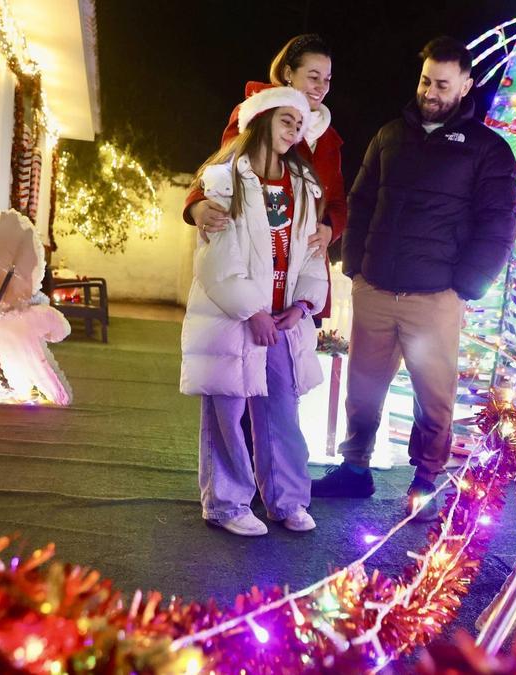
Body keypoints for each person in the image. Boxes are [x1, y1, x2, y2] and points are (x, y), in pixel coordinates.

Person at [310, 37, 516, 521]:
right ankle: (354, 469)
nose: (430, 90)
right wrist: (356, 266)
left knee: (433, 395)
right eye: (426, 79)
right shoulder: (389, 136)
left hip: (435, 297)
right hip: (377, 288)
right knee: (362, 388)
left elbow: (498, 223)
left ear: (465, 86)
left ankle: (425, 480)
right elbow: (361, 202)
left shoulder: (488, 150)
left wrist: (465, 286)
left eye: (443, 83)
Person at [180, 87, 329, 537]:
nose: (294, 131)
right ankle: (226, 504)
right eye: (287, 120)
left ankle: (286, 500)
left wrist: (303, 304)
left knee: (282, 410)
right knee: (227, 411)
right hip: (234, 318)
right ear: (262, 119)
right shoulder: (222, 179)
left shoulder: (302, 184)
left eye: (300, 125)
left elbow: (307, 252)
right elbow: (216, 259)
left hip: (283, 320)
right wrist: (253, 311)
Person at [184, 34, 346, 323]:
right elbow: (224, 172)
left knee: (294, 363)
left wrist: (329, 230)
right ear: (288, 73)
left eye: (328, 79)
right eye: (313, 77)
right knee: (240, 361)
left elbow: (336, 202)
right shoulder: (256, 114)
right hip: (252, 275)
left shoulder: (329, 139)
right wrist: (196, 205)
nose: (321, 87)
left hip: (299, 278)